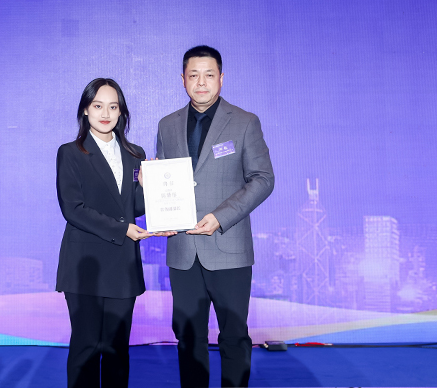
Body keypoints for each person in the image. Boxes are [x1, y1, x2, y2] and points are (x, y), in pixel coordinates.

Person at [155, 46, 274, 387]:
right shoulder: (167, 125)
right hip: (183, 250)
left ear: (221, 78)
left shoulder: (245, 122)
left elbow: (263, 179)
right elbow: (164, 179)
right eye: (193, 75)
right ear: (182, 79)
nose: (201, 82)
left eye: (209, 75)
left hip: (228, 246)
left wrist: (221, 217)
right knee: (188, 337)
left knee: (234, 336)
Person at [56, 78, 153, 388]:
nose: (106, 113)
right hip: (86, 265)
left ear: (121, 111)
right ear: (86, 109)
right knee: (86, 347)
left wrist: (154, 189)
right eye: (98, 106)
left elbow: (134, 207)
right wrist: (121, 229)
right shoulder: (70, 153)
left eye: (113, 106)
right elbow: (73, 209)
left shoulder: (136, 153)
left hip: (122, 265)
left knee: (116, 350)